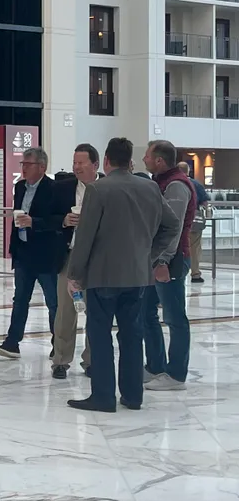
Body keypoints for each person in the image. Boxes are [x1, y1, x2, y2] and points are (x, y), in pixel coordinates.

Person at [66, 137, 179, 413]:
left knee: (100, 334)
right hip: (138, 275)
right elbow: (172, 225)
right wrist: (149, 254)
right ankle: (132, 395)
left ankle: (103, 396)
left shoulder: (97, 190)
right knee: (131, 335)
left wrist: (74, 274)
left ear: (105, 161)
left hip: (103, 276)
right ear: (130, 162)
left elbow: (86, 237)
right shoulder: (150, 187)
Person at [0, 147, 69, 360]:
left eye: (28, 164)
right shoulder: (20, 187)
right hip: (23, 252)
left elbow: (59, 220)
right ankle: (12, 342)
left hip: (46, 255)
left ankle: (58, 345)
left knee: (54, 302)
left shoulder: (54, 189)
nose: (23, 168)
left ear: (42, 167)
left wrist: (34, 222)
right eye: (22, 164)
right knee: (20, 299)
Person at [141, 140, 196, 391]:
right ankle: (155, 366)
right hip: (157, 258)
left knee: (174, 317)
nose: (144, 159)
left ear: (160, 160)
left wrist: (162, 260)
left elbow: (172, 228)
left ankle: (176, 374)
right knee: (146, 311)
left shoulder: (175, 185)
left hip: (171, 259)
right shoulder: (161, 182)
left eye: (147, 156)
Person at [51, 143, 100, 379]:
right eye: (74, 163)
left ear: (95, 165)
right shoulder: (63, 188)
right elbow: (47, 217)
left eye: (81, 163)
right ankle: (60, 360)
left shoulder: (106, 188)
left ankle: (91, 360)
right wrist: (63, 221)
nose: (76, 167)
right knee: (65, 310)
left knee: (95, 310)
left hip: (98, 259)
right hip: (69, 257)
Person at [180, 162, 209, 283]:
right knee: (194, 247)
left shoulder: (174, 183)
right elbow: (204, 203)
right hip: (193, 221)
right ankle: (195, 274)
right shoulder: (196, 184)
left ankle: (178, 272)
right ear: (188, 170)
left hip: (177, 220)